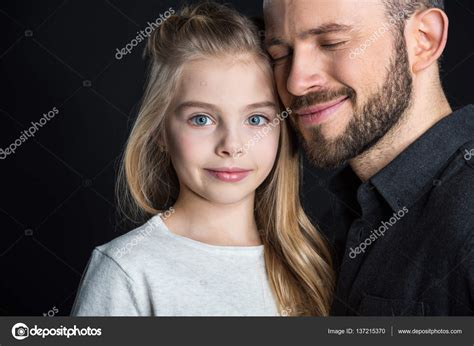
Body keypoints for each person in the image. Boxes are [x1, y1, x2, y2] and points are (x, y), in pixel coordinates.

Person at [70, 1, 334, 317]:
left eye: (255, 120)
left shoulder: (309, 262)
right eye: (201, 119)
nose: (231, 146)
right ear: (160, 132)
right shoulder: (128, 271)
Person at [263, 0, 474, 315]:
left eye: (332, 43)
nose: (295, 82)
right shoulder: (329, 225)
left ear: (423, 40)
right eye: (280, 55)